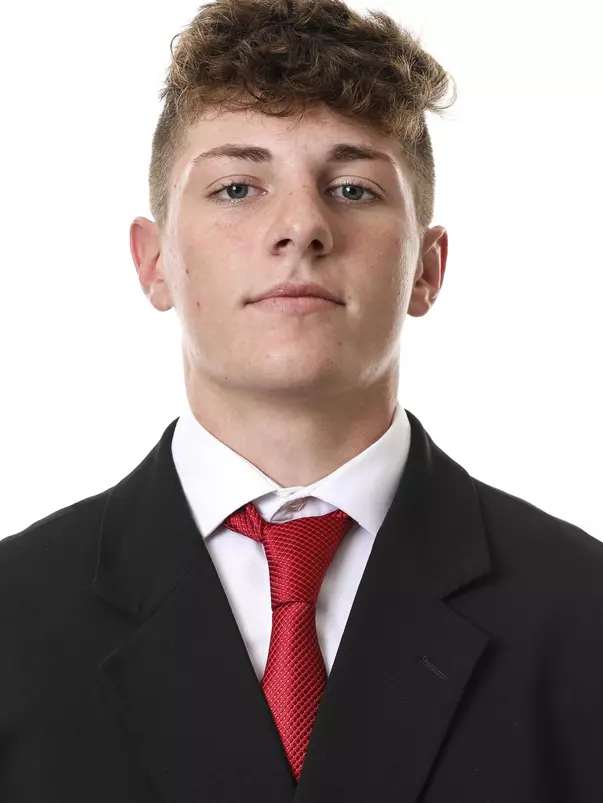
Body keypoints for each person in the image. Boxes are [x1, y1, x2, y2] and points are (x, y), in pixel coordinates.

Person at [1, 0, 602, 800]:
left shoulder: (584, 612)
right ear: (153, 262)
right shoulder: (13, 615)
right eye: (237, 187)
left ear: (427, 269)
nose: (300, 227)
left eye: (352, 188)